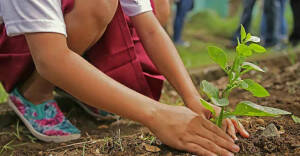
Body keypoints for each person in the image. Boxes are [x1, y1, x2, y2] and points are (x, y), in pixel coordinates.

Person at [0, 0, 249, 155]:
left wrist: (193, 99)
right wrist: (157, 114)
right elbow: (51, 60)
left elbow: (150, 28)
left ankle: (78, 85)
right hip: (22, 42)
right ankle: (33, 93)